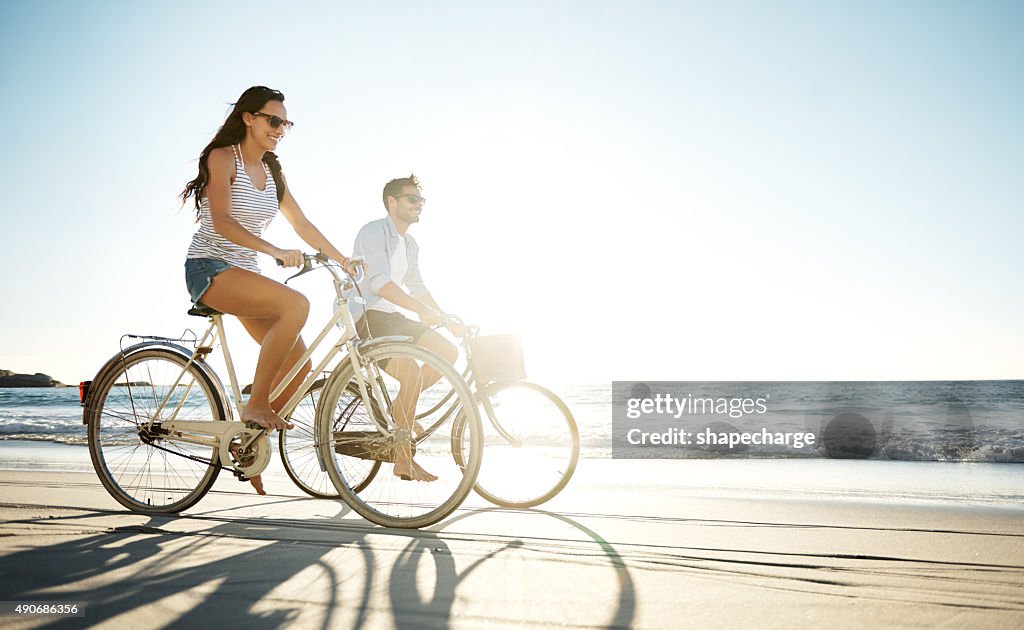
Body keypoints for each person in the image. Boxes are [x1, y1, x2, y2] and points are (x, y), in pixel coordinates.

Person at [181, 86, 359, 494]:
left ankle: (249, 443)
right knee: (296, 304)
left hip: (244, 274)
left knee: (298, 371)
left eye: (285, 123)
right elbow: (223, 222)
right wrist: (274, 250)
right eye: (273, 120)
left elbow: (303, 225)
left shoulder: (274, 172)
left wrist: (343, 259)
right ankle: (255, 404)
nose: (280, 128)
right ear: (249, 117)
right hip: (209, 269)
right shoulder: (223, 158)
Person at [352, 174, 463, 482]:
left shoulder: (410, 243)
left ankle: (402, 410)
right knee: (411, 373)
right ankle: (403, 460)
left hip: (391, 314)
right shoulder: (373, 232)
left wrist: (444, 316)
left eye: (421, 200)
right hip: (366, 315)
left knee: (446, 351)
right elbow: (381, 284)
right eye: (412, 199)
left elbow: (416, 285)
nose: (419, 205)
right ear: (392, 202)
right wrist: (422, 311)